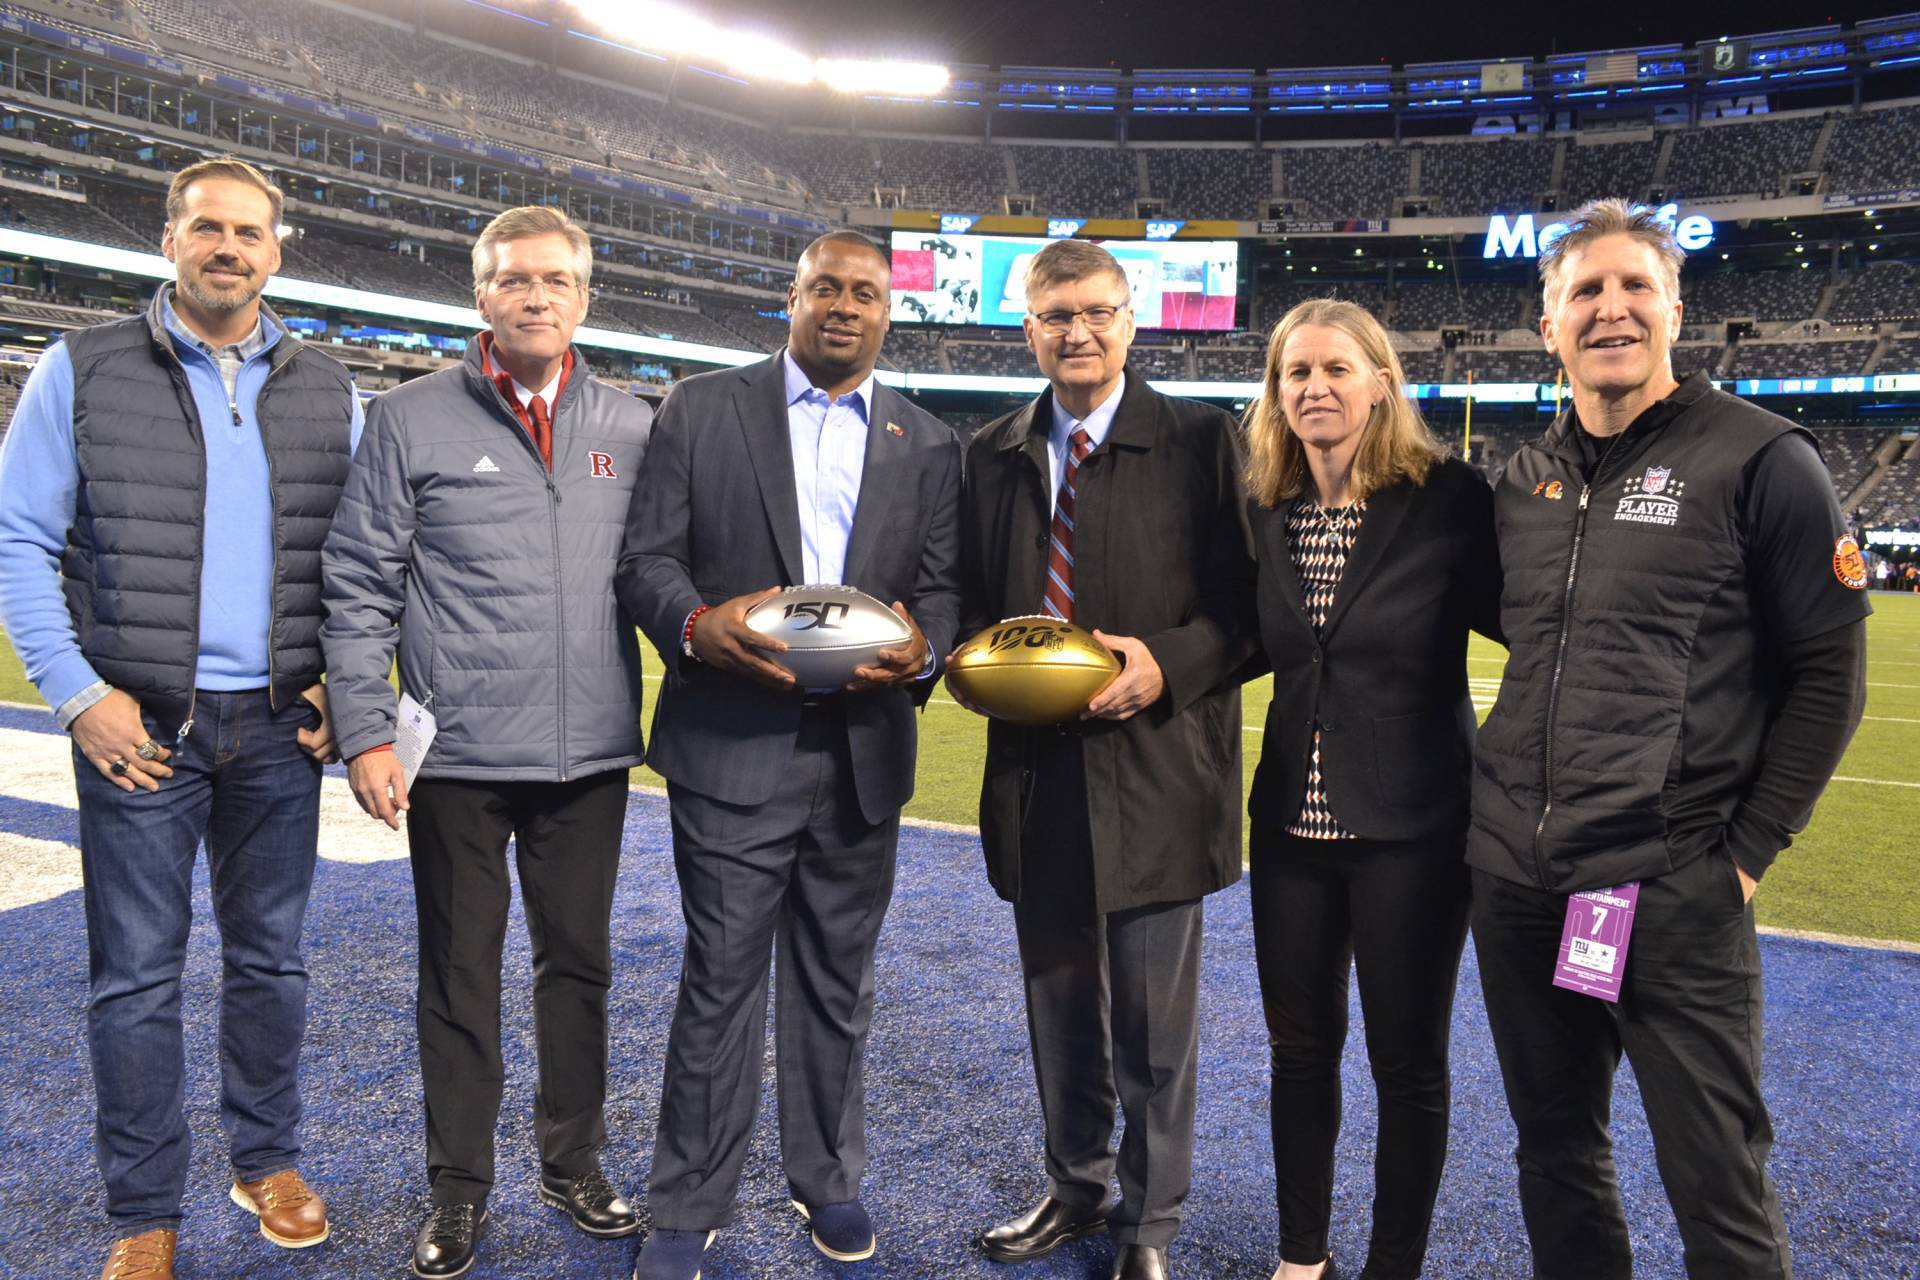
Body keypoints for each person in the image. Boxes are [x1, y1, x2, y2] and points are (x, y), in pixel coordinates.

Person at [1469, 198, 1870, 1279]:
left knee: (1716, 1179)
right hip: (1520, 878)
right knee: (1555, 1152)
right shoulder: (1522, 482)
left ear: (1675, 308)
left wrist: (1745, 855)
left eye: (1634, 286)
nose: (1612, 308)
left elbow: (1832, 671)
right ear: (1548, 323)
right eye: (1585, 291)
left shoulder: (1761, 457)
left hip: (1670, 883)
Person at [0, 156, 363, 1280]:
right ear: (169, 240)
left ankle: (267, 1159)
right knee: (135, 976)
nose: (228, 246)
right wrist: (78, 693)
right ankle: (144, 1207)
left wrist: (333, 689)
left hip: (278, 726)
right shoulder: (83, 367)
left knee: (272, 962)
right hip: (140, 726)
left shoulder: (330, 385)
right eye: (207, 226)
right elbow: (20, 538)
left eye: (249, 232)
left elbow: (362, 561)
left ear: (277, 249)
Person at [617, 230, 961, 1280]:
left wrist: (920, 651)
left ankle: (829, 1174)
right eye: (826, 287)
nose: (844, 305)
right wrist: (697, 624)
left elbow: (941, 588)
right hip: (732, 740)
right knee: (720, 975)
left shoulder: (928, 440)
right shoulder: (703, 406)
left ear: (887, 311)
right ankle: (687, 1196)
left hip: (863, 751)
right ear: (792, 298)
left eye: (865, 291)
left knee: (836, 980)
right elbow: (648, 561)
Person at [321, 206, 652, 1279]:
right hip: (457, 755)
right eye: (515, 279)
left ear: (584, 295)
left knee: (581, 969)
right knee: (458, 977)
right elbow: (358, 582)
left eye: (557, 279)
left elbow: (665, 584)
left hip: (591, 755)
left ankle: (575, 1162)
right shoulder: (410, 418)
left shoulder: (635, 425)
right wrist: (367, 728)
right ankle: (459, 1189)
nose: (537, 295)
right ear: (481, 295)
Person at [955, 239, 1256, 1280]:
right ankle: (1077, 1184)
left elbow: (1251, 616)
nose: (1076, 331)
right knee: (1058, 1002)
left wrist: (1163, 664)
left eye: (1095, 311)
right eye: (1054, 315)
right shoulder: (991, 449)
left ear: (1132, 320)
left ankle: (1149, 1222)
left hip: (1159, 768)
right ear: (1026, 327)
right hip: (1035, 771)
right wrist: (962, 658)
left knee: (1153, 1022)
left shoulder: (1206, 441)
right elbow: (964, 599)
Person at [1241, 299, 1501, 1280]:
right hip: (1291, 829)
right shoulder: (1266, 504)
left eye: (1335, 369)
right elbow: (1238, 636)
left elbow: (1533, 620)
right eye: (1294, 373)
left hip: (1415, 830)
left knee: (1406, 1061)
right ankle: (1301, 1253)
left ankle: (1394, 1261)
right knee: (1300, 1051)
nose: (1313, 388)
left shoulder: (1446, 495)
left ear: (1381, 381)